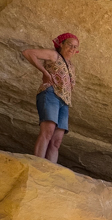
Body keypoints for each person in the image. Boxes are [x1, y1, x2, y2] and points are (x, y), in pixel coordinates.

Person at [22, 33, 78, 164]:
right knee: (48, 131)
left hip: (64, 101)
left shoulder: (71, 65)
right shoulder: (54, 55)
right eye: (69, 44)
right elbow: (28, 53)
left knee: (57, 140)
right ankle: (37, 164)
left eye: (75, 47)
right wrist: (44, 72)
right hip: (51, 93)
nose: (72, 48)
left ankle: (50, 169)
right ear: (61, 44)